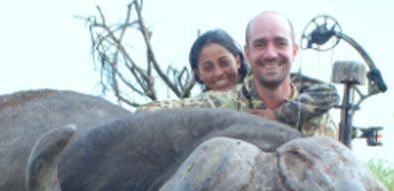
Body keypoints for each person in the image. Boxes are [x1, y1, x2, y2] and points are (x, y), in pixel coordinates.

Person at [140, 12, 339, 137]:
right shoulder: (218, 104)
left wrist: (283, 114)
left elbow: (329, 92)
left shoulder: (319, 115)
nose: (270, 54)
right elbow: (147, 113)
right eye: (260, 45)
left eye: (280, 43)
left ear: (294, 51)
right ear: (248, 54)